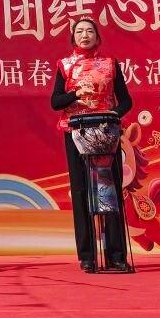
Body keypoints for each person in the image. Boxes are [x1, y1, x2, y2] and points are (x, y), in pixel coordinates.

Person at [50, 18, 133, 272]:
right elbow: (55, 102)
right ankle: (87, 256)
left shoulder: (110, 64)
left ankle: (117, 255)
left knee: (110, 190)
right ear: (73, 38)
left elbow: (126, 101)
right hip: (76, 132)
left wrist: (113, 115)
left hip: (106, 132)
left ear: (98, 37)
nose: (84, 35)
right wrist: (75, 94)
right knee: (81, 191)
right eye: (79, 31)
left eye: (89, 31)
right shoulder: (65, 65)